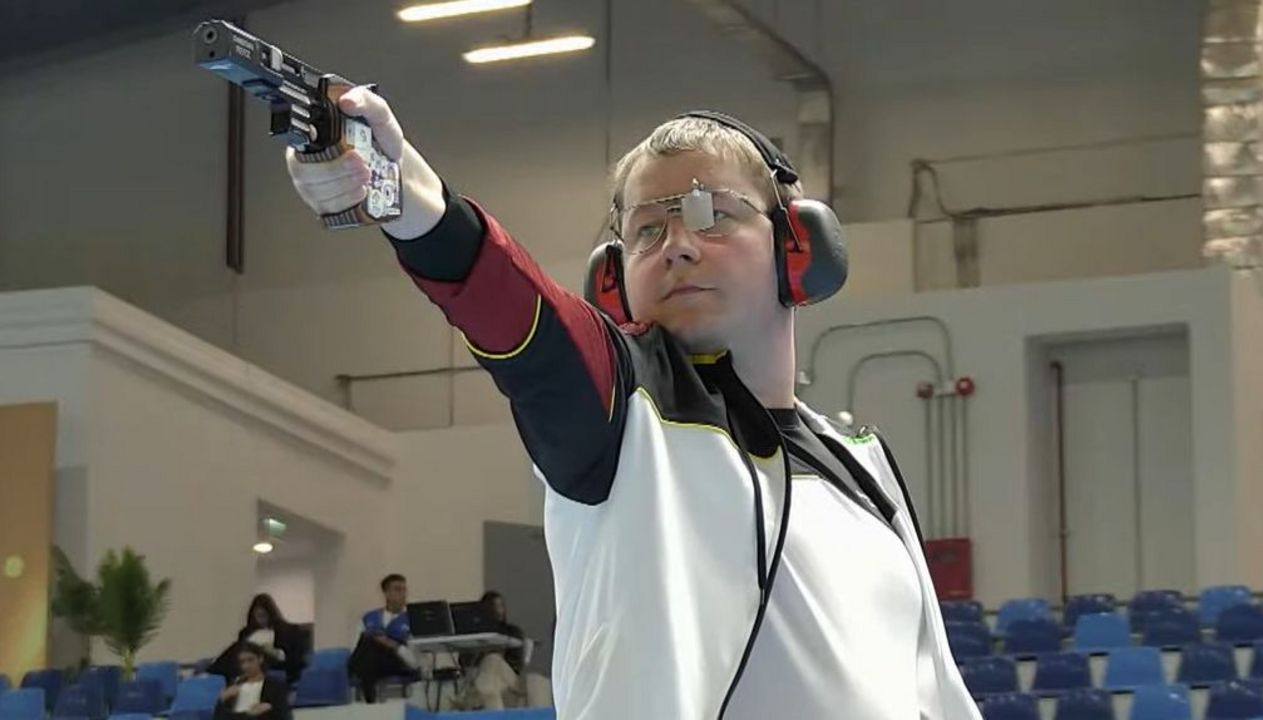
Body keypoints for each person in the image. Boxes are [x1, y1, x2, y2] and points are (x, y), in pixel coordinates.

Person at [285, 89, 981, 719]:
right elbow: (525, 322)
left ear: (797, 247)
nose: (677, 245)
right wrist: (412, 203)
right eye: (647, 230)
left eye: (713, 215)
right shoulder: (624, 415)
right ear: (614, 279)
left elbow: (932, 690)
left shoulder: (865, 462)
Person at [347, 573, 418, 703]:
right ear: (386, 593)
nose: (403, 594)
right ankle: (370, 699)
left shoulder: (413, 619)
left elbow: (414, 659)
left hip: (397, 662)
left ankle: (370, 701)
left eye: (404, 590)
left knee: (368, 646)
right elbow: (355, 649)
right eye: (397, 589)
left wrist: (393, 645)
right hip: (370, 661)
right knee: (368, 647)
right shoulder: (368, 618)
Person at [209, 594, 304, 685]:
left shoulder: (286, 631)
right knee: (238, 648)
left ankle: (211, 671)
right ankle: (214, 673)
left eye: (263, 615)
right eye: (257, 616)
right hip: (246, 660)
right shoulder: (247, 633)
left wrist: (272, 651)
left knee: (239, 648)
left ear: (271, 614)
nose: (261, 620)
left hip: (271, 661)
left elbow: (294, 658)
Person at [214, 643, 291, 720]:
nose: (246, 666)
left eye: (250, 660)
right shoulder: (233, 687)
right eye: (242, 662)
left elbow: (283, 716)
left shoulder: (275, 685)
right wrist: (222, 699)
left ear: (260, 659)